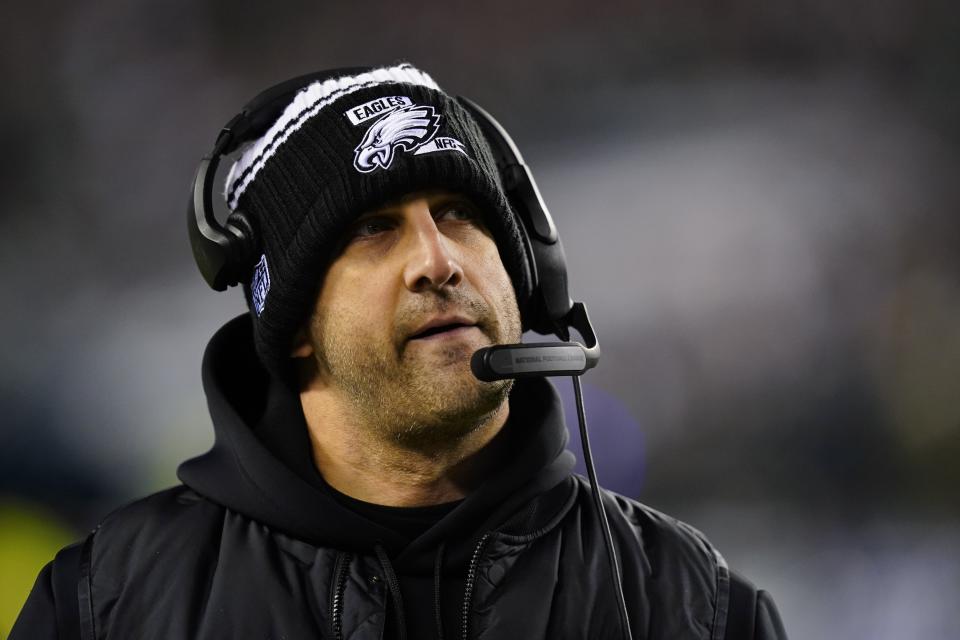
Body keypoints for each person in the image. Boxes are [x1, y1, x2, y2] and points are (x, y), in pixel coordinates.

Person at [11, 63, 787, 639]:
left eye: (457, 212)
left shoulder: (696, 607)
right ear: (290, 323)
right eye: (373, 228)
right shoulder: (104, 607)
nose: (437, 260)